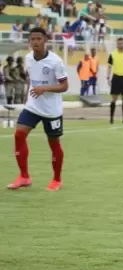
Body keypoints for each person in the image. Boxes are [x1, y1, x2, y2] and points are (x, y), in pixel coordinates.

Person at [6, 27, 68, 191]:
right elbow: (31, 79)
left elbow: (64, 86)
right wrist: (28, 96)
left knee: (53, 143)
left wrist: (45, 88)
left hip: (52, 110)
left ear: (45, 40)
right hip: (33, 105)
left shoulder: (55, 62)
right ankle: (24, 176)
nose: (35, 42)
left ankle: (57, 180)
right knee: (19, 134)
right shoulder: (28, 58)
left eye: (38, 38)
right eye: (32, 39)